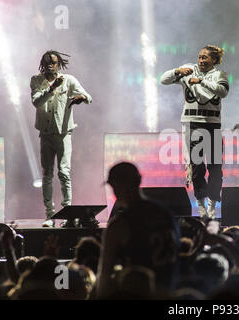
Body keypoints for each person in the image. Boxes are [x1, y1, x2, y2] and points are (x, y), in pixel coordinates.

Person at [160, 45, 229, 219]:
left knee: (215, 167)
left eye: (205, 57)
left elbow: (223, 91)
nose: (201, 60)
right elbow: (163, 79)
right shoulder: (190, 70)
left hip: (212, 123)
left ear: (214, 60)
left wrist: (201, 81)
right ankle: (201, 203)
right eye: (200, 57)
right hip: (192, 123)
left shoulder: (220, 75)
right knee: (197, 167)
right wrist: (177, 71)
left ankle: (213, 203)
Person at [97, 162, 180, 296]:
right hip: (168, 294)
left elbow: (105, 275)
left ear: (116, 186)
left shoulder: (120, 224)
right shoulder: (166, 214)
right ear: (139, 180)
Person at [30, 50, 92, 227]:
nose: (51, 64)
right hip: (46, 134)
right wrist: (51, 88)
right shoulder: (36, 80)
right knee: (47, 174)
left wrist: (81, 97)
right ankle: (49, 215)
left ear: (59, 64)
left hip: (64, 133)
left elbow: (89, 97)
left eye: (54, 62)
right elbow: (36, 102)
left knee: (64, 173)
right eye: (47, 61)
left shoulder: (69, 80)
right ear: (42, 63)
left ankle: (67, 214)